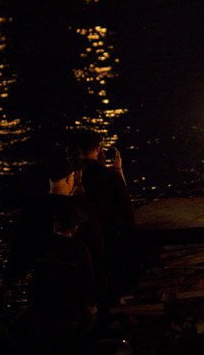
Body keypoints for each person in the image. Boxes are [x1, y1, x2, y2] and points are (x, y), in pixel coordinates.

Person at [0, 157, 107, 297]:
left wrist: (7, 281)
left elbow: (19, 247)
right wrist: (101, 277)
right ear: (69, 179)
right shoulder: (83, 208)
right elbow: (97, 244)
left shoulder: (33, 209)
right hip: (75, 284)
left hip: (43, 285)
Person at [68, 129, 137, 302]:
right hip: (107, 242)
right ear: (98, 149)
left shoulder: (70, 177)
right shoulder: (109, 176)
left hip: (76, 242)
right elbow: (127, 213)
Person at [28, 204, 97, 354]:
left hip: (42, 305)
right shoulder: (79, 249)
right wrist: (90, 306)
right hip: (69, 307)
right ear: (75, 228)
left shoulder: (39, 244)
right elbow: (87, 279)